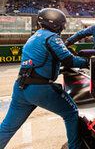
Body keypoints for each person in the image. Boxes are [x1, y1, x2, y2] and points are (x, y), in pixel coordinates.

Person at [0, 8, 88, 149]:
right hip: (40, 89)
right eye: (62, 25)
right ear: (55, 24)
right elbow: (70, 61)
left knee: (7, 127)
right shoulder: (52, 38)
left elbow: (40, 64)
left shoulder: (32, 38)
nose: (62, 28)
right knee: (71, 113)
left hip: (21, 88)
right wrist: (89, 61)